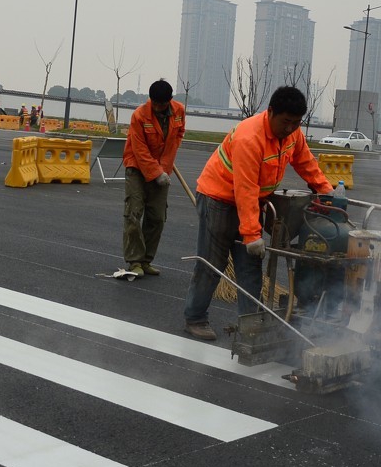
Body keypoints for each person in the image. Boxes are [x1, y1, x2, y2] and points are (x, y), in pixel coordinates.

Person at [181, 86, 333, 341]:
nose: (290, 128)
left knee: (250, 267)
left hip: (251, 202)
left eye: (296, 123)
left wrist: (326, 191)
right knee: (212, 264)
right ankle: (195, 318)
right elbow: (245, 188)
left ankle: (251, 325)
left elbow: (306, 163)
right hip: (218, 198)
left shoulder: (293, 135)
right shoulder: (249, 138)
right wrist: (251, 235)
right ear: (270, 112)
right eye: (285, 122)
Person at [121, 79, 186, 278]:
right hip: (136, 167)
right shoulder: (140, 115)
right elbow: (139, 150)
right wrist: (156, 172)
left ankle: (146, 260)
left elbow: (178, 136)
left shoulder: (179, 111)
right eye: (155, 103)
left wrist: (164, 169)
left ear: (170, 101)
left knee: (157, 217)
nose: (158, 108)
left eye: (162, 104)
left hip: (162, 169)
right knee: (134, 213)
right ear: (150, 100)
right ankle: (134, 261)